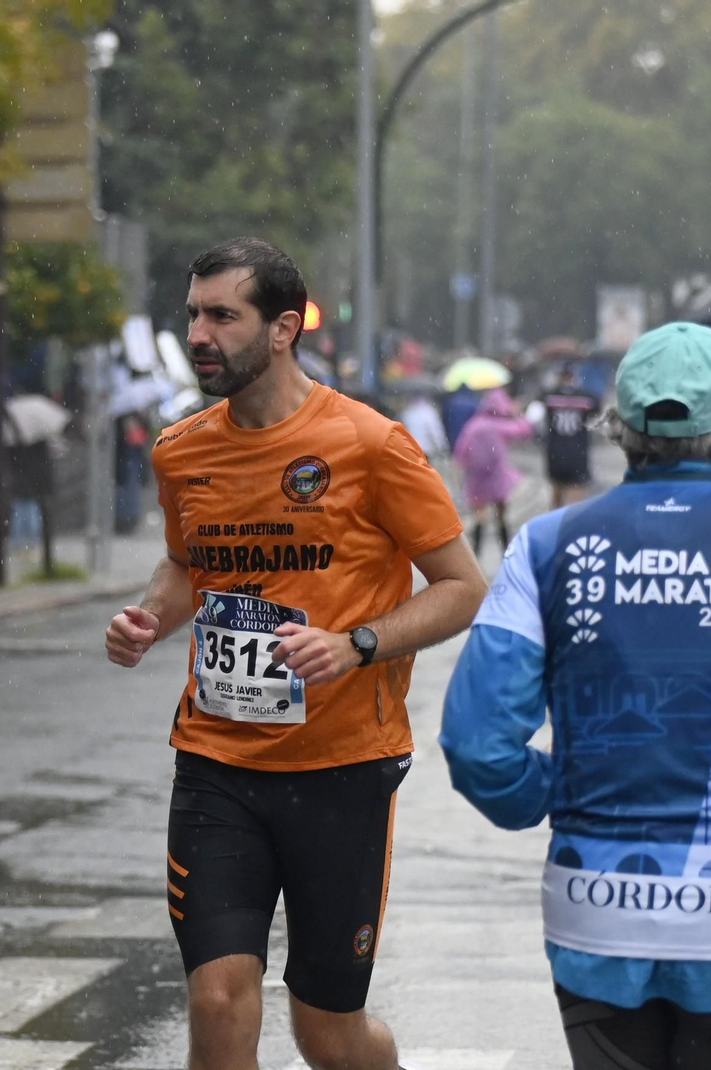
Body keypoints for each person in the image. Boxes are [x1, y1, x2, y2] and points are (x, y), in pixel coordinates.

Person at [440, 322, 711, 1070]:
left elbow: (477, 744)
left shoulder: (547, 543)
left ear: (618, 423)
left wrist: (553, 791)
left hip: (596, 907)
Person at [104, 238, 486, 1070]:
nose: (199, 334)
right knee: (217, 995)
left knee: (327, 1033)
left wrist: (357, 645)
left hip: (343, 770)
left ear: (282, 329)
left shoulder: (370, 444)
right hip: (217, 762)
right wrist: (148, 618)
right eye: (193, 314)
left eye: (221, 316)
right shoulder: (182, 451)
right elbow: (185, 563)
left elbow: (461, 586)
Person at [453, 388, 533, 556]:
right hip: (497, 476)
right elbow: (525, 429)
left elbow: (460, 452)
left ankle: (476, 553)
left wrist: (460, 472)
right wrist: (516, 413)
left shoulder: (473, 425)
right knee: (501, 513)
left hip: (476, 478)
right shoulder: (500, 426)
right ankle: (506, 550)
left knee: (479, 515)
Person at [541, 363, 602, 509]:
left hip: (555, 451)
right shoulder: (588, 397)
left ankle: (554, 527)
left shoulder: (547, 396)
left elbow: (534, 418)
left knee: (556, 497)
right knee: (576, 502)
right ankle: (570, 528)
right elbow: (598, 420)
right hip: (578, 451)